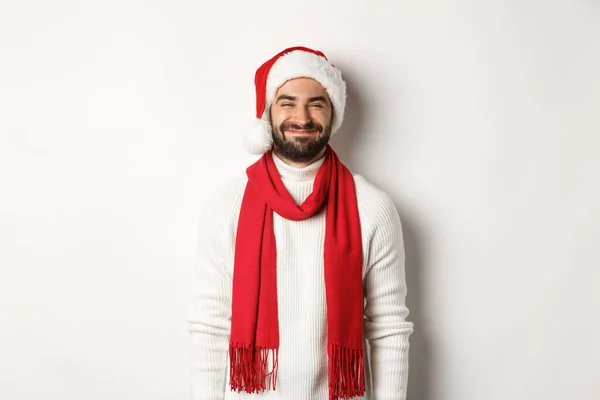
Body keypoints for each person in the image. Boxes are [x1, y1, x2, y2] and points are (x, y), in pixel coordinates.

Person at [187, 46, 414, 400]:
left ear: (333, 112)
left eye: (316, 103)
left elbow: (388, 330)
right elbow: (211, 328)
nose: (302, 117)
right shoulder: (225, 206)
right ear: (268, 114)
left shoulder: (372, 207)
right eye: (288, 102)